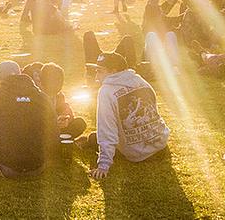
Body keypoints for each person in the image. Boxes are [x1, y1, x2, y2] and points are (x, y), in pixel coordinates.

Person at [85, 51, 170, 179]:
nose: (96, 76)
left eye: (100, 71)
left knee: (93, 138)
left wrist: (103, 165)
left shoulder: (106, 91)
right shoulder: (140, 80)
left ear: (114, 71)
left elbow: (107, 131)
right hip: (160, 145)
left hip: (138, 154)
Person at [39, 62, 87, 140]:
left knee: (80, 123)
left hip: (59, 129)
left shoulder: (59, 96)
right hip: (43, 132)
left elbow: (68, 113)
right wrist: (54, 123)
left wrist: (66, 120)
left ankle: (62, 140)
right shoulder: (37, 97)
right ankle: (63, 141)